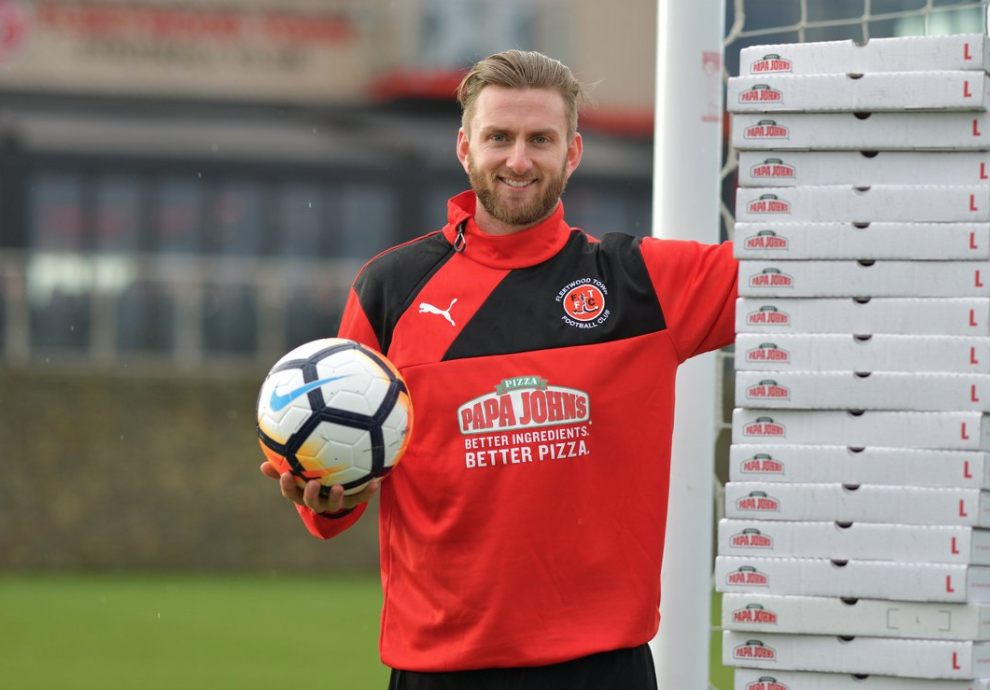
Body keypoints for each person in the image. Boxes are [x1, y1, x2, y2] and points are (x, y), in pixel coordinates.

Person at [261, 49, 739, 689]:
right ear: (466, 147)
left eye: (540, 139)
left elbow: (800, 271)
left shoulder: (639, 284)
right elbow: (337, 502)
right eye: (499, 138)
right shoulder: (392, 289)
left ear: (572, 152)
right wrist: (330, 493)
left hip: (601, 669)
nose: (518, 160)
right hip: (441, 669)